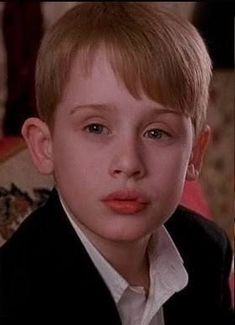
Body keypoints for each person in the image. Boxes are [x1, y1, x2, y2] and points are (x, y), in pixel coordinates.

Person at [0, 3, 233, 324]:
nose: (128, 163)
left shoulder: (207, 250)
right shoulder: (14, 293)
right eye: (96, 128)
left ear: (195, 153)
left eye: (157, 132)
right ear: (45, 146)